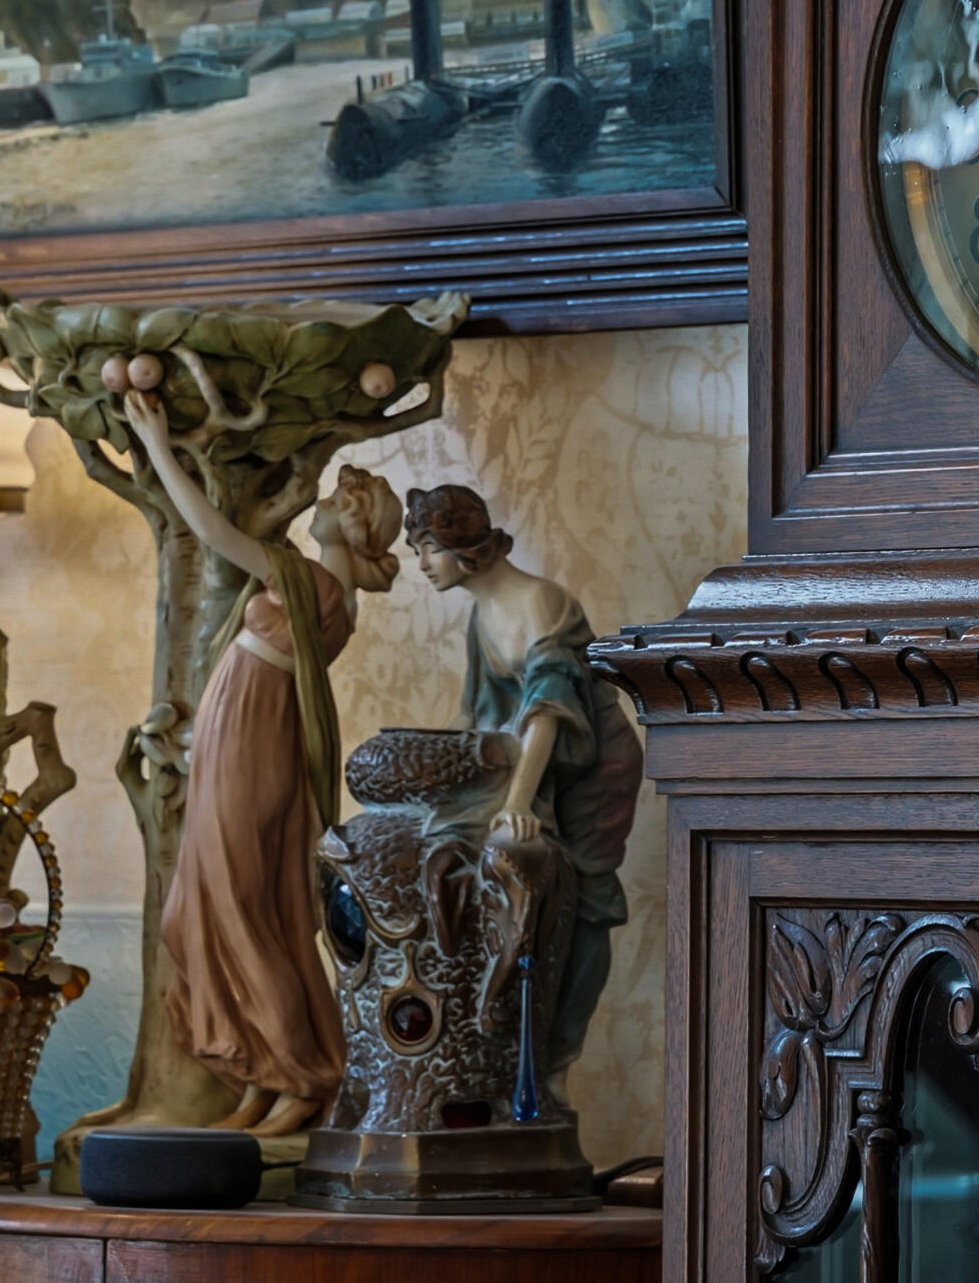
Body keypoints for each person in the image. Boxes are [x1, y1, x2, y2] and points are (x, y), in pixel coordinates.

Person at [124, 389, 401, 1133]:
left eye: (333, 500)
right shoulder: (318, 585)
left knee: (246, 914)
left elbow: (212, 529)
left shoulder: (312, 582)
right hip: (233, 740)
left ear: (348, 522)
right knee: (218, 911)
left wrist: (157, 447)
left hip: (253, 747)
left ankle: (306, 1076)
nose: (314, 504)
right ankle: (261, 1073)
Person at [403, 484, 643, 1087]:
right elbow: (476, 717)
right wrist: (439, 779)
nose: (422, 564)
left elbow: (548, 711)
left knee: (587, 900)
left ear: (466, 548)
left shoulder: (540, 604)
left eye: (429, 548)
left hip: (591, 767)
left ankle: (555, 1063)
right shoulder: (483, 614)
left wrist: (514, 805)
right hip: (532, 762)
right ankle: (497, 1042)